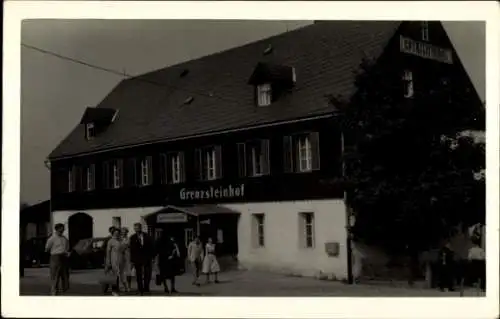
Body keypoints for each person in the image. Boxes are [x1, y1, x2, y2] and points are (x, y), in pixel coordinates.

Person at [45, 223, 70, 295]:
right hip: (55, 257)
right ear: (57, 229)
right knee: (55, 275)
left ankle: (64, 291)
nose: (63, 230)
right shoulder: (52, 238)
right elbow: (47, 249)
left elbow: (67, 248)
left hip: (64, 257)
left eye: (63, 229)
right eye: (61, 229)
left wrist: (67, 253)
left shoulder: (65, 239)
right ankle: (54, 291)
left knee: (65, 275)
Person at [129, 223, 154, 295]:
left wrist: (152, 257)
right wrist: (132, 260)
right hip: (137, 258)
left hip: (147, 258)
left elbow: (151, 247)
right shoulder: (132, 237)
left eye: (138, 228)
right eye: (135, 228)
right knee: (138, 274)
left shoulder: (147, 236)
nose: (136, 229)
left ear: (141, 228)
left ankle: (146, 288)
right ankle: (140, 289)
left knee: (147, 273)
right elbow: (132, 250)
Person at [105, 228, 122, 296]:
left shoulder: (120, 241)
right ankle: (114, 290)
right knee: (114, 276)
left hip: (119, 260)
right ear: (113, 233)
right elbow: (108, 252)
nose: (117, 234)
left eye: (118, 233)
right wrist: (108, 262)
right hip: (113, 260)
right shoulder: (110, 241)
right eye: (115, 233)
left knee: (117, 276)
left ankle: (115, 289)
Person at [119, 227, 132, 292]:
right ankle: (123, 286)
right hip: (120, 257)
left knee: (128, 273)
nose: (123, 233)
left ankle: (129, 286)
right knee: (121, 272)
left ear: (127, 232)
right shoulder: (119, 239)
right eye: (122, 232)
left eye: (125, 232)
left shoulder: (129, 239)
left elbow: (128, 246)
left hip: (127, 256)